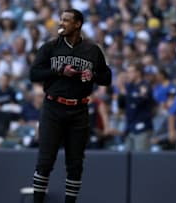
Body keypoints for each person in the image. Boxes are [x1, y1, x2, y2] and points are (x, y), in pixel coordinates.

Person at [29, 9, 111, 203]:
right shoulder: (50, 46)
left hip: (79, 110)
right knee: (45, 161)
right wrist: (58, 71)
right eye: (61, 19)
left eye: (66, 20)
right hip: (53, 108)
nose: (61, 23)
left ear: (78, 24)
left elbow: (106, 77)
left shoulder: (92, 49)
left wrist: (93, 76)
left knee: (75, 164)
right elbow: (34, 74)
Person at [119, 63, 154, 151]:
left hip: (142, 128)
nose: (128, 75)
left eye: (130, 72)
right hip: (130, 127)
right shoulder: (129, 86)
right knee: (126, 159)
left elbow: (139, 101)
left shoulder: (145, 85)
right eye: (127, 72)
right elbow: (122, 105)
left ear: (138, 73)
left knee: (141, 159)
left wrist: (126, 94)